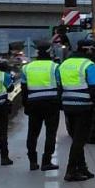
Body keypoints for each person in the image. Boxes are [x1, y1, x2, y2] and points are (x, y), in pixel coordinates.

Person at [57, 41, 95, 183]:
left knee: (76, 138)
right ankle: (71, 171)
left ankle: (82, 168)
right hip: (84, 106)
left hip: (68, 105)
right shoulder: (89, 65)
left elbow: (59, 86)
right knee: (80, 140)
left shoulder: (64, 64)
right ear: (89, 50)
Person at [19, 40, 62, 172]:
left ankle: (32, 162)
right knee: (51, 133)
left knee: (32, 133)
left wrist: (25, 105)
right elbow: (60, 85)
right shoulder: (55, 67)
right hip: (51, 104)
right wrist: (59, 102)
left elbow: (23, 88)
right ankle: (46, 161)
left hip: (33, 104)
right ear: (50, 52)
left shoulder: (26, 68)